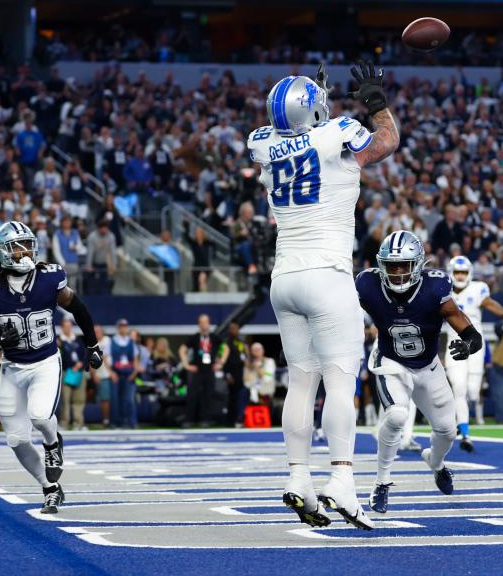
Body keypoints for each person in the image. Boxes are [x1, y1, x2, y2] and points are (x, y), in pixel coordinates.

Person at [247, 61, 399, 531]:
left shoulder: (261, 143)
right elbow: (385, 143)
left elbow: (298, 140)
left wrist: (316, 111)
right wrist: (376, 104)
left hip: (285, 277)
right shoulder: (339, 131)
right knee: (339, 379)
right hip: (327, 272)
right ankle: (342, 480)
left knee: (300, 380)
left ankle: (298, 477)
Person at [0, 220, 103, 514]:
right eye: (17, 247)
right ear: (2, 252)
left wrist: (93, 345)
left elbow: (78, 307)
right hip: (11, 367)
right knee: (16, 439)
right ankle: (50, 488)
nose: (25, 251)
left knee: (41, 418)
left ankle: (52, 441)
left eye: (27, 245)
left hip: (45, 361)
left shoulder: (48, 278)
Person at [356, 231, 482, 513]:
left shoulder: (434, 287)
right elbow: (340, 314)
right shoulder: (367, 284)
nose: (398, 272)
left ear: (418, 264)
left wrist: (471, 342)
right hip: (391, 361)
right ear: (381, 265)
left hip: (428, 366)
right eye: (392, 265)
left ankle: (435, 463)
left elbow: (460, 320)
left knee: (447, 431)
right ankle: (381, 482)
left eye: (404, 265)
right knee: (397, 415)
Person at [444, 255, 503, 452]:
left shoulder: (478, 289)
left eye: (463, 272)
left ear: (469, 273)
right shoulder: (442, 289)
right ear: (450, 273)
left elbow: (497, 309)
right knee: (459, 388)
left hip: (476, 346)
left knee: (472, 391)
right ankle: (465, 432)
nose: (460, 276)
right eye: (457, 272)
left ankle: (462, 422)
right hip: (454, 343)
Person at [179, 314, 228, 426]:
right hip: (197, 370)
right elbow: (182, 349)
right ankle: (189, 419)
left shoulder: (214, 337)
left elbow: (226, 348)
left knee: (207, 395)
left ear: (208, 323)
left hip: (209, 370)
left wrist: (221, 363)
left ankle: (204, 419)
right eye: (201, 322)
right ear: (199, 324)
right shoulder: (195, 338)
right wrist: (186, 365)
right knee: (192, 395)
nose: (204, 325)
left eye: (205, 322)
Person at [109, 318, 140, 429]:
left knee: (129, 399)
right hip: (116, 374)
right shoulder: (112, 341)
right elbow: (107, 358)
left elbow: (136, 359)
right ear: (118, 328)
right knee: (115, 399)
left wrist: (135, 372)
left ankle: (131, 421)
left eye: (125, 326)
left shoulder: (131, 342)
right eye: (121, 326)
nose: (123, 328)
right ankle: (116, 422)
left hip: (129, 375)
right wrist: (111, 372)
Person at [58, 318, 88, 431]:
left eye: (69, 326)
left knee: (79, 399)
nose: (68, 328)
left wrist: (80, 364)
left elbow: (84, 354)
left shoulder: (78, 340)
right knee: (65, 399)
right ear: (62, 327)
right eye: (65, 326)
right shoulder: (59, 341)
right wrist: (71, 365)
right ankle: (64, 423)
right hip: (67, 372)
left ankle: (78, 423)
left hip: (79, 372)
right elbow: (60, 356)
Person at [94, 324, 113, 428]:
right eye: (95, 331)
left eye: (98, 331)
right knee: (104, 399)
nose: (97, 333)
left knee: (109, 398)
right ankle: (106, 420)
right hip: (101, 375)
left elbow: (105, 357)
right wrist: (94, 375)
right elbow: (91, 360)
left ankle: (111, 420)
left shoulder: (107, 340)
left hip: (110, 373)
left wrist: (112, 372)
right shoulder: (92, 343)